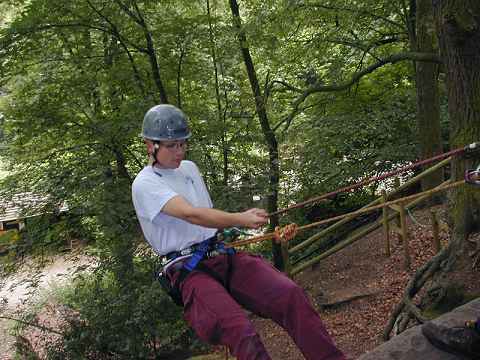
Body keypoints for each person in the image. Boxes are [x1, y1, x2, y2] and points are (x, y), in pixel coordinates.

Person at [131, 104, 346, 360]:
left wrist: (235, 225)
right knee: (240, 331)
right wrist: (240, 218)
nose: (180, 151)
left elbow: (204, 218)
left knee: (289, 295)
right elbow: (191, 214)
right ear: (150, 145)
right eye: (172, 145)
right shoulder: (145, 183)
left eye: (183, 144)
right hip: (188, 271)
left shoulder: (189, 169)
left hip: (220, 254)